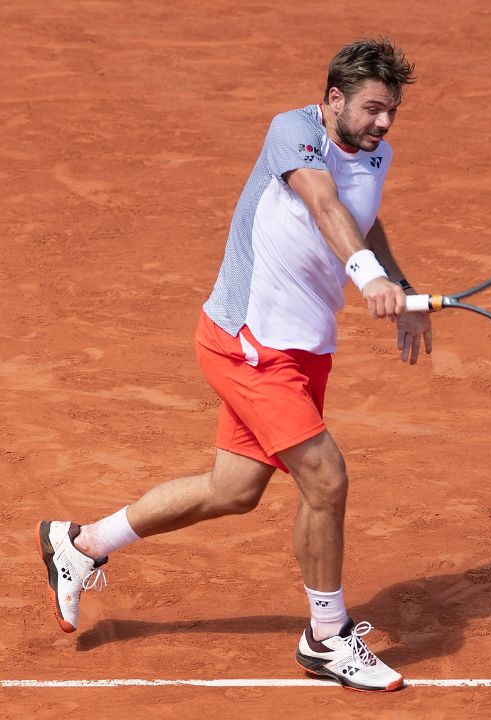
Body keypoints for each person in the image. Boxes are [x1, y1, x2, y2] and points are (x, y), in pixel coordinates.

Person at [38, 37, 430, 692]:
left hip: (304, 348)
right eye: (372, 109)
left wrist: (403, 287)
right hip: (247, 342)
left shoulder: (375, 154)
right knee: (326, 480)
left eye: (391, 111)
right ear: (334, 99)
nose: (384, 124)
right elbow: (324, 203)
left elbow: (362, 217)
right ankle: (326, 638)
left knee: (234, 491)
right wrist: (367, 280)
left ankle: (80, 544)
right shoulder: (293, 133)